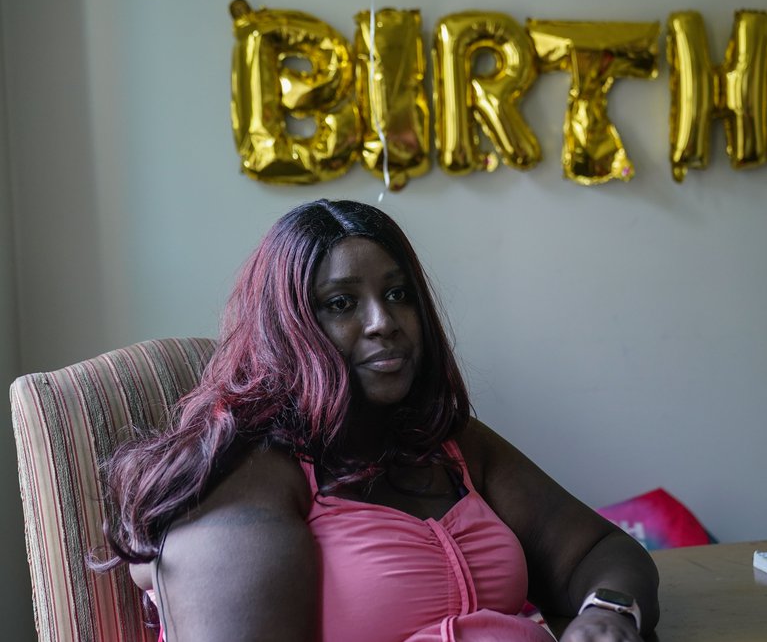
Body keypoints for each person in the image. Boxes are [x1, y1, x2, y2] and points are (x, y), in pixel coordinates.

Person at [103, 199, 659, 641]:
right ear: (286, 328)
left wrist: (609, 613)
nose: (383, 322)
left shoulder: (450, 447)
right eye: (341, 303)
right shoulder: (255, 480)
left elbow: (599, 552)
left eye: (397, 294)